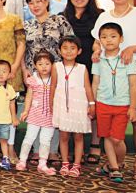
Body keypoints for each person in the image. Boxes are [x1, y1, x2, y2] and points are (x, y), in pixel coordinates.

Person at [91, 0, 136, 181]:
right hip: (109, 69)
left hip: (135, 69)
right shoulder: (104, 16)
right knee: (110, 124)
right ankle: (116, 162)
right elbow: (96, 43)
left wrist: (131, 48)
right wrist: (96, 53)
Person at [22, 0, 74, 165]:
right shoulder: (27, 25)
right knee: (37, 108)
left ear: (46, 2)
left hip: (56, 73)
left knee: (53, 108)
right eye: (31, 3)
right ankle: (37, 151)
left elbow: (69, 45)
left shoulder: (60, 21)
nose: (35, 6)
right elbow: (22, 50)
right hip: (34, 74)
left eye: (38, 1)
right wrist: (24, 70)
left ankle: (52, 150)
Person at [62, 0, 104, 164]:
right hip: (68, 69)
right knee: (70, 104)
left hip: (92, 66)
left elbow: (104, 39)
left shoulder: (100, 16)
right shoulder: (62, 16)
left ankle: (95, 144)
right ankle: (70, 146)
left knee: (92, 104)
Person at [92, 23, 136, 183]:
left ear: (121, 39)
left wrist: (133, 107)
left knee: (117, 139)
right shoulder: (97, 59)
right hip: (103, 104)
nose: (108, 40)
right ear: (100, 41)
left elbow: (133, 84)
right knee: (106, 137)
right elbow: (95, 83)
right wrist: (93, 103)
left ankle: (119, 162)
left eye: (113, 36)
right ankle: (114, 168)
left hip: (122, 105)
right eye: (104, 37)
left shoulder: (128, 58)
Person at [50, 36, 95, 177]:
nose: (69, 51)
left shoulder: (82, 68)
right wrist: (51, 103)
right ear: (59, 51)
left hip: (79, 105)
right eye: (65, 48)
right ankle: (65, 162)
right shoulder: (56, 66)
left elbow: (87, 87)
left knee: (78, 137)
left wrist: (92, 103)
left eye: (72, 48)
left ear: (79, 51)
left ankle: (76, 164)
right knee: (63, 136)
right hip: (62, 104)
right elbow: (53, 86)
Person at [16, 52, 57, 175]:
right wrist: (25, 111)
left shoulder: (55, 80)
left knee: (46, 140)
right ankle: (22, 160)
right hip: (34, 114)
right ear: (34, 65)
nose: (44, 67)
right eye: (40, 64)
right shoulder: (33, 80)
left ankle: (42, 163)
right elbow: (29, 96)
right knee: (29, 137)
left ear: (52, 65)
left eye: (47, 64)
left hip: (50, 115)